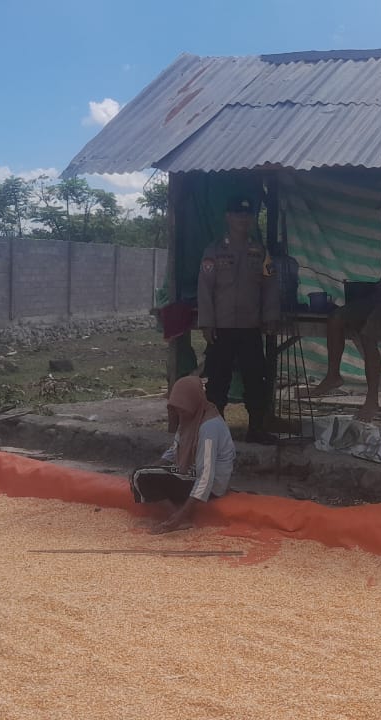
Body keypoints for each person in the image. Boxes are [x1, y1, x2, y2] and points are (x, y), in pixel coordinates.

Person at [305, 190, 381, 421]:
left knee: (368, 335)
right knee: (336, 318)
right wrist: (370, 292)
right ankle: (333, 375)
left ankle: (372, 399)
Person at [197, 196, 280, 444]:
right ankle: (215, 431)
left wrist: (270, 317)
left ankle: (256, 429)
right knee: (217, 380)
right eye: (237, 214)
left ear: (252, 218)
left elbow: (270, 285)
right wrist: (207, 322)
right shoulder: (214, 251)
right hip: (221, 327)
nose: (243, 218)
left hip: (250, 327)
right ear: (228, 217)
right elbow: (205, 288)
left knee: (255, 379)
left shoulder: (260, 252)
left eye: (247, 214)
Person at [131, 376, 235, 534]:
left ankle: (178, 519)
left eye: (182, 409)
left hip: (212, 485)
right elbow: (174, 450)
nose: (180, 413)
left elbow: (206, 475)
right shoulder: (191, 417)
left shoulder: (209, 427)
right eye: (177, 409)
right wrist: (153, 468)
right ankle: (176, 514)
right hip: (191, 473)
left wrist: (181, 515)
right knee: (142, 474)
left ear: (193, 401)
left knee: (140, 476)